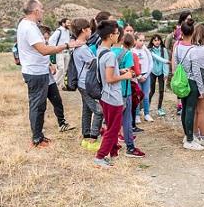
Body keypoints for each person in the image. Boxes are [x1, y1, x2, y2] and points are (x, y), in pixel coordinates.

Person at [16, 0, 82, 148]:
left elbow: (38, 50)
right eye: (41, 9)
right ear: (35, 11)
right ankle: (37, 139)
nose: (43, 11)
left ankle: (52, 128)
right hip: (35, 73)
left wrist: (49, 64)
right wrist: (66, 45)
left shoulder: (29, 25)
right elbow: (43, 50)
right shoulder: (29, 27)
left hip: (43, 70)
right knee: (37, 105)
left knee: (54, 98)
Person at [173, 19, 204, 150]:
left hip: (181, 81)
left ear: (181, 32)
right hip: (192, 82)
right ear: (193, 32)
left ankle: (188, 135)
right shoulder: (193, 50)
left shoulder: (177, 47)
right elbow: (196, 72)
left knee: (185, 109)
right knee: (192, 109)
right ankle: (190, 140)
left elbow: (175, 66)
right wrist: (201, 90)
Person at [93, 20, 135, 168]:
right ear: (111, 35)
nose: (119, 36)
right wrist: (125, 76)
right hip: (113, 97)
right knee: (114, 129)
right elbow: (110, 78)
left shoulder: (100, 50)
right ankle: (100, 156)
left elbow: (106, 74)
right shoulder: (110, 55)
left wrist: (119, 71)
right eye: (117, 33)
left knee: (111, 125)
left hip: (105, 95)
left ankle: (112, 152)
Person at [70, 18, 105, 151]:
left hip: (82, 82)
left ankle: (86, 137)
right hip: (86, 84)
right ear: (84, 30)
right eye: (89, 29)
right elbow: (95, 64)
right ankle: (93, 139)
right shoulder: (82, 49)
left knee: (87, 109)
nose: (91, 31)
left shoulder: (78, 46)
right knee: (99, 110)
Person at [111, 28, 146, 158]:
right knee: (126, 119)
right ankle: (130, 147)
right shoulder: (127, 54)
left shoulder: (107, 52)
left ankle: (112, 148)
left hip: (111, 91)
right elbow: (132, 73)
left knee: (113, 122)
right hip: (124, 90)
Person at [39, 25, 75, 133]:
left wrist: (50, 64)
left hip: (49, 78)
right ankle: (38, 128)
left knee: (57, 101)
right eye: (45, 37)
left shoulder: (45, 45)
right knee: (40, 104)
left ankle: (62, 123)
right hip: (40, 78)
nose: (46, 40)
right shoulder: (36, 46)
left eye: (47, 38)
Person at [166, 11, 192, 114]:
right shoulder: (178, 30)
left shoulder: (189, 29)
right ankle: (180, 105)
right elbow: (172, 43)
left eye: (190, 19)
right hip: (180, 56)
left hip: (187, 55)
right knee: (180, 80)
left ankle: (184, 103)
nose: (189, 20)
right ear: (182, 19)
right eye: (187, 19)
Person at [133, 32, 155, 122]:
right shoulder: (132, 51)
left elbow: (151, 63)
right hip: (137, 76)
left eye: (143, 40)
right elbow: (132, 65)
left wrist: (146, 76)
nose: (142, 42)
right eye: (140, 40)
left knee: (146, 96)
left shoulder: (146, 50)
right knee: (138, 96)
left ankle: (146, 113)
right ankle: (137, 115)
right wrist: (138, 76)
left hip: (146, 75)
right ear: (135, 41)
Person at [147, 34, 170, 117]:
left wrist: (166, 73)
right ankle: (147, 107)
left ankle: (159, 108)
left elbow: (166, 62)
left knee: (161, 91)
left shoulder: (163, 50)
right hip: (152, 72)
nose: (157, 42)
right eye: (155, 40)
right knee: (152, 91)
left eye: (158, 40)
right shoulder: (149, 50)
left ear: (161, 41)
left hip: (161, 72)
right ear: (152, 41)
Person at [49, 18, 72, 88]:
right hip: (60, 53)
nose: (69, 24)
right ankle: (54, 84)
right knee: (60, 68)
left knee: (65, 70)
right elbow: (51, 41)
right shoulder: (59, 31)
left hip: (67, 52)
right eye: (68, 23)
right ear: (63, 23)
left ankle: (61, 85)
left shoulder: (68, 31)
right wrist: (56, 49)